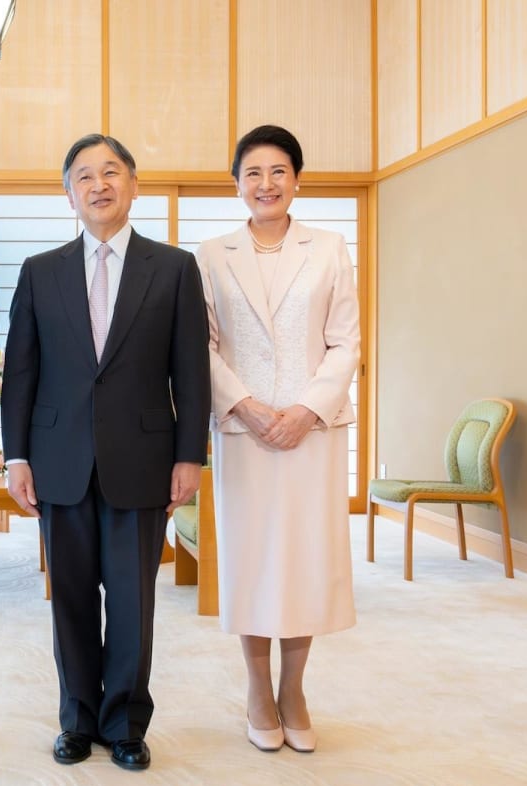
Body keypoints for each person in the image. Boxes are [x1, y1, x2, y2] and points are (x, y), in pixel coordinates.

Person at [1, 134, 211, 770]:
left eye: (111, 172)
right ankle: (77, 719)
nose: (99, 185)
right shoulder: (40, 270)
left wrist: (190, 454)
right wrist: (17, 456)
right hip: (59, 459)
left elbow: (191, 370)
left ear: (133, 185)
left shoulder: (174, 267)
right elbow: (21, 373)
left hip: (142, 460)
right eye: (85, 176)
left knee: (131, 601)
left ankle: (124, 724)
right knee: (69, 600)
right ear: (69, 194)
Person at [195, 124, 360, 754]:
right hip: (245, 431)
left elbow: (346, 341)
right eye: (253, 173)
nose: (266, 184)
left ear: (297, 180)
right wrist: (247, 405)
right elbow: (203, 345)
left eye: (278, 171)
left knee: (305, 560)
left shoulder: (330, 248)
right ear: (237, 183)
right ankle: (257, 690)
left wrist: (306, 410)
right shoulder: (212, 255)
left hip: (312, 433)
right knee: (253, 561)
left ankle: (295, 690)